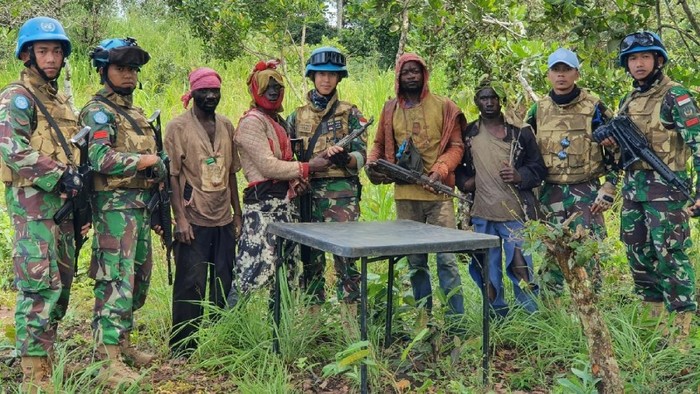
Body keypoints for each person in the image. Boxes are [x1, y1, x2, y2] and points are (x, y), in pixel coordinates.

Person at [0, 16, 86, 391]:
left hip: (64, 210)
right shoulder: (16, 96)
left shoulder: (59, 99)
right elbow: (11, 147)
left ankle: (46, 359)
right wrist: (59, 174)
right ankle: (34, 377)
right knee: (38, 287)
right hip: (34, 209)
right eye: (43, 50)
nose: (51, 58)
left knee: (62, 284)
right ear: (28, 54)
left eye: (56, 51)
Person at [79, 37, 165, 385]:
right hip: (114, 209)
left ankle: (124, 344)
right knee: (114, 280)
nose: (128, 74)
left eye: (133, 69)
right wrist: (143, 160)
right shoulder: (97, 111)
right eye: (120, 68)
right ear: (104, 70)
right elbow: (98, 158)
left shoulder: (136, 114)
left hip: (141, 207)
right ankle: (107, 360)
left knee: (138, 279)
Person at [611, 31, 699, 345]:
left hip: (668, 190)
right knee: (637, 254)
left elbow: (698, 142)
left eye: (645, 57)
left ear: (658, 59)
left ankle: (680, 335)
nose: (639, 64)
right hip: (634, 189)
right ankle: (652, 328)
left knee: (671, 256)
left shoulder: (677, 95)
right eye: (633, 58)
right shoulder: (628, 99)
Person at [366, 53, 466, 316]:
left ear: (424, 75)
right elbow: (378, 145)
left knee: (446, 260)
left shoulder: (444, 106)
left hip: (439, 197)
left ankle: (457, 321)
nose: (411, 76)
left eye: (416, 71)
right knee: (415, 261)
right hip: (406, 197)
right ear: (398, 76)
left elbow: (457, 146)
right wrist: (371, 164)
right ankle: (424, 319)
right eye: (406, 72)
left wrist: (441, 169)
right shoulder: (390, 110)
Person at [228, 60, 329, 303]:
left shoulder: (276, 121)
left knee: (286, 272)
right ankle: (228, 329)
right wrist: (307, 167)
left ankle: (280, 333)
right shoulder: (252, 122)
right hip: (262, 210)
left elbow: (282, 164)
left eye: (277, 86)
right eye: (266, 87)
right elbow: (267, 166)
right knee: (251, 271)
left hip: (283, 206)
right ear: (255, 90)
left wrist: (296, 182)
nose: (273, 92)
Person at [525, 48, 615, 296]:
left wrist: (610, 185)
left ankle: (595, 306)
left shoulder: (594, 107)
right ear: (548, 75)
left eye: (566, 70)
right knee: (551, 252)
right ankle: (551, 311)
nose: (561, 75)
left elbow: (619, 149)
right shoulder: (538, 109)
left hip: (586, 192)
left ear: (576, 73)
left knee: (590, 251)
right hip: (549, 192)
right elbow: (524, 149)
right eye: (556, 70)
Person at [166, 67, 242, 356]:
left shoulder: (225, 125)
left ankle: (220, 340)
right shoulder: (178, 127)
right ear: (193, 93)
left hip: (222, 214)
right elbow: (172, 175)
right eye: (204, 91)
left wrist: (238, 212)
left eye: (215, 91)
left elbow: (232, 172)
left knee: (223, 278)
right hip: (193, 215)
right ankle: (183, 347)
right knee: (190, 282)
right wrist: (180, 219)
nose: (210, 96)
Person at [287, 47, 368, 309]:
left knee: (347, 259)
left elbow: (363, 155)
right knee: (310, 259)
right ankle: (312, 323)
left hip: (341, 195)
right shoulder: (296, 116)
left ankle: (351, 322)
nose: (326, 79)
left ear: (339, 78)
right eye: (321, 73)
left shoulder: (350, 113)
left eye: (332, 75)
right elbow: (287, 158)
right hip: (306, 194)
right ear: (312, 76)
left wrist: (346, 159)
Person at [456, 83, 546, 317]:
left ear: (501, 101)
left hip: (515, 213)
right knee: (487, 269)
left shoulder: (520, 132)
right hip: (482, 214)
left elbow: (538, 168)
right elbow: (459, 167)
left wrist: (520, 176)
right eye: (483, 98)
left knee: (520, 266)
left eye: (493, 98)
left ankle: (530, 316)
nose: (488, 102)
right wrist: (465, 182)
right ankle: (496, 318)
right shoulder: (470, 134)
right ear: (477, 102)